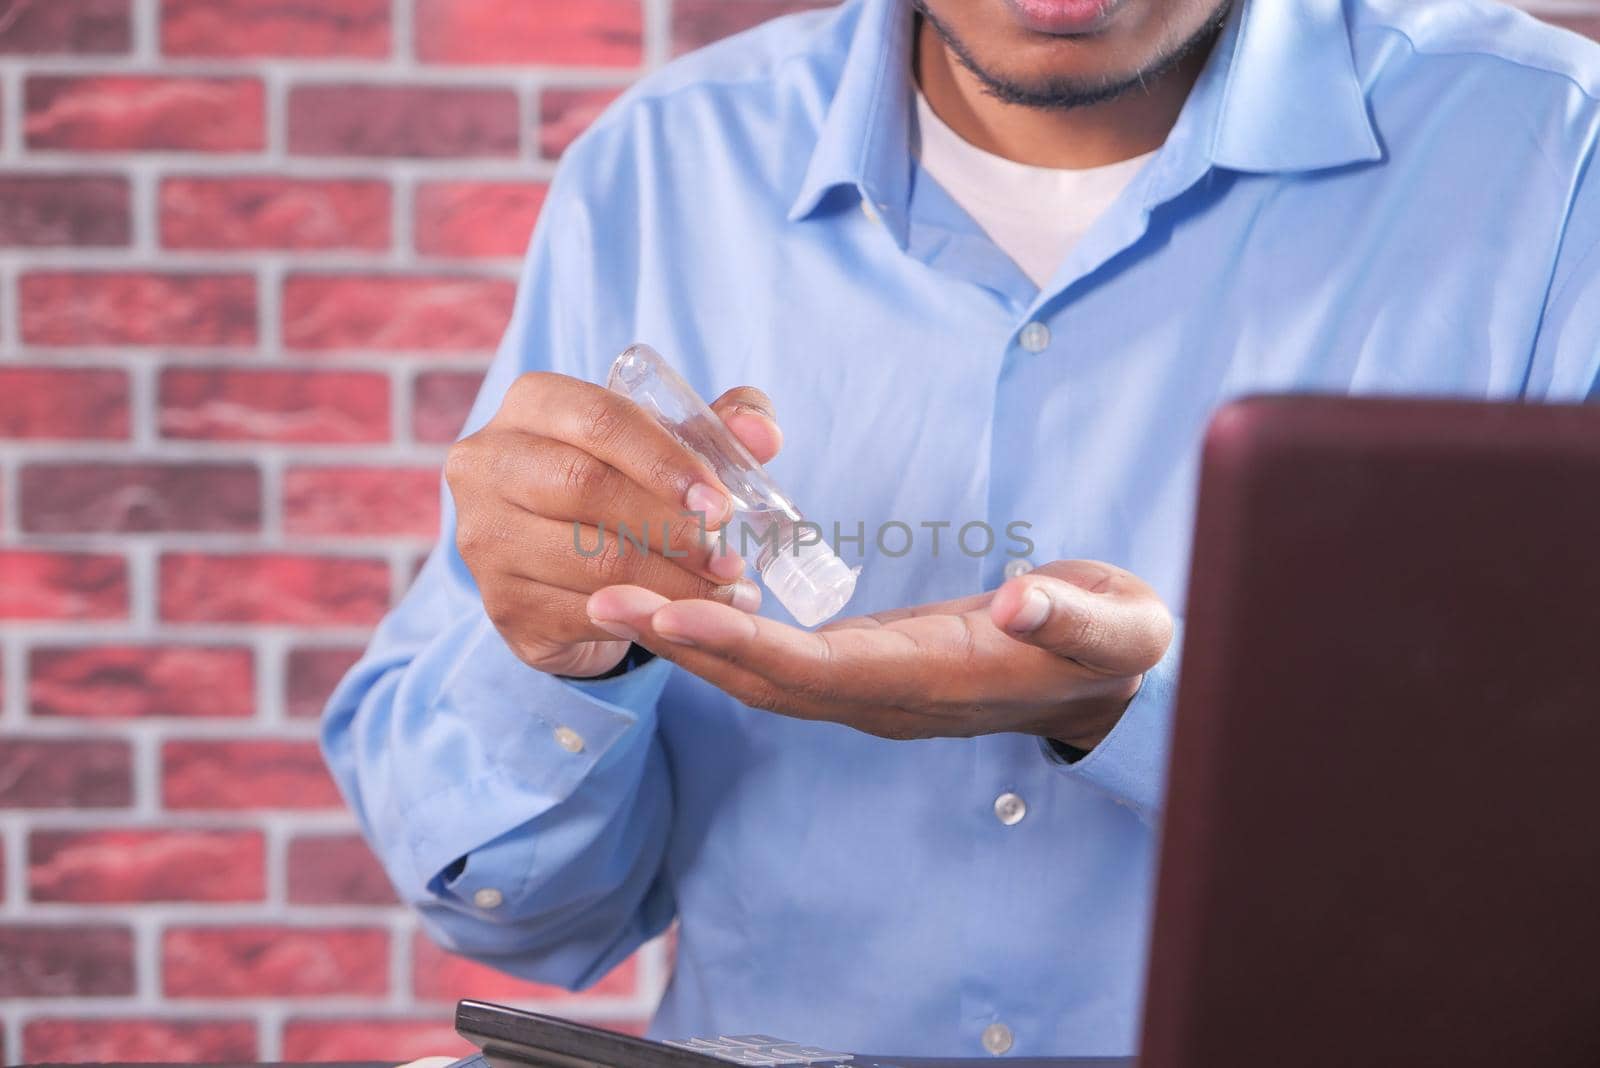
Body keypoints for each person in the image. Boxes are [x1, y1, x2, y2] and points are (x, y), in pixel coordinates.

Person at [321, 0, 1600, 1056]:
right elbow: (513, 910)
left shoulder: (1555, 161)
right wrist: (573, 653)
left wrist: (1143, 708)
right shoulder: (664, 165)